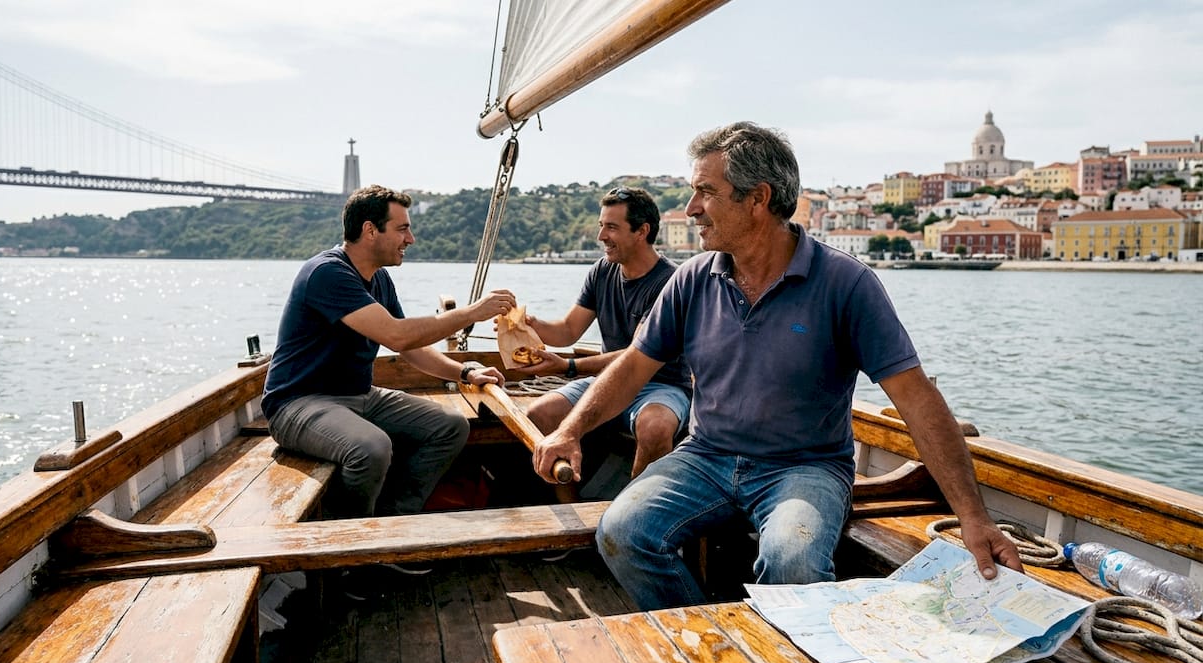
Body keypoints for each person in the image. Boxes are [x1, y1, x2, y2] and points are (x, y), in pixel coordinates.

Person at [532, 122, 1022, 610]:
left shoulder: (846, 284)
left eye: (705, 191)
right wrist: (570, 430)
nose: (691, 209)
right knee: (621, 533)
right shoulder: (693, 280)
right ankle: (706, 632)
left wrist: (974, 519)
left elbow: (918, 401)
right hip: (706, 456)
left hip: (805, 469)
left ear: (758, 198)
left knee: (793, 565)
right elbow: (635, 365)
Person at [262, 184, 515, 520]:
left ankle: (396, 518)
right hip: (298, 404)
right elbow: (396, 335)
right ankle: (354, 542)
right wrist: (470, 313)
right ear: (370, 230)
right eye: (402, 229)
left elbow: (410, 345)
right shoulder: (327, 273)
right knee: (372, 447)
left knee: (452, 426)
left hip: (358, 396)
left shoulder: (379, 279)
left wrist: (465, 373)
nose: (410, 239)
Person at [514, 186, 692, 492]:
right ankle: (571, 511)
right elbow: (568, 330)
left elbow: (634, 355)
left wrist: (567, 366)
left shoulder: (670, 283)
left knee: (655, 428)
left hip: (661, 386)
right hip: (608, 382)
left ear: (642, 231)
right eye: (601, 226)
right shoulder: (603, 271)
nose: (601, 237)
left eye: (611, 227)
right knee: (539, 415)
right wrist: (526, 325)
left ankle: (632, 515)